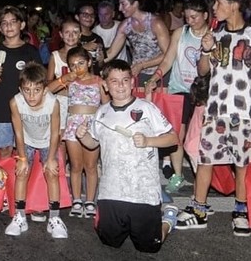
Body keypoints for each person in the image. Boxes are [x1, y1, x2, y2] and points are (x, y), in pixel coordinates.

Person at [176, 0, 251, 236]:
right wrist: (207, 49)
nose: (213, 9)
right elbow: (202, 71)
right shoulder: (216, 34)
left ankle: (241, 211)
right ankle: (199, 209)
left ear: (233, 5)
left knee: (242, 164)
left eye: (218, 4)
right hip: (216, 110)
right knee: (205, 159)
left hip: (246, 113)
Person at [75, 59, 179, 252]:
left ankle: (168, 219)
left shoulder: (147, 109)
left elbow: (172, 138)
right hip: (111, 191)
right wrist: (83, 136)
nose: (120, 85)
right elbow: (92, 144)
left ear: (132, 82)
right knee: (109, 241)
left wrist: (149, 141)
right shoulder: (101, 113)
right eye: (114, 81)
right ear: (105, 86)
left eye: (125, 80)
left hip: (143, 192)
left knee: (149, 247)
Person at [145, 0, 210, 193]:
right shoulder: (180, 33)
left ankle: (204, 174)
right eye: (187, 17)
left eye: (195, 17)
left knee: (202, 135)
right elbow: (168, 60)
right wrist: (155, 77)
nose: (190, 21)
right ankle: (178, 175)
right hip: (179, 89)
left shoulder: (213, 36)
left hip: (203, 91)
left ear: (205, 16)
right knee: (176, 135)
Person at [4, 62, 68, 239]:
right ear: (20, 89)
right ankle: (20, 216)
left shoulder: (53, 103)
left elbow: (55, 132)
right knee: (22, 172)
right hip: (27, 140)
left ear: (44, 89)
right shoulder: (15, 102)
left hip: (48, 140)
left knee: (52, 172)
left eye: (36, 90)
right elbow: (18, 131)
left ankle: (54, 219)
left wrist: (51, 159)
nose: (31, 95)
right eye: (27, 90)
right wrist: (22, 157)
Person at [48, 46, 106, 219]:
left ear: (89, 62)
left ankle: (89, 200)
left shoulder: (98, 81)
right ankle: (76, 199)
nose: (77, 68)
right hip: (73, 124)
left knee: (91, 166)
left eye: (81, 63)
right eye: (73, 65)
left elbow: (106, 104)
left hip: (91, 125)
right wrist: (64, 78)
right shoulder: (70, 81)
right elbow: (47, 91)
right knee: (75, 166)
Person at [0, 6, 40, 159]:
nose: (9, 26)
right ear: (0, 28)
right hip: (2, 109)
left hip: (27, 109)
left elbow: (41, 80)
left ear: (22, 25)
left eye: (13, 22)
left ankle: (22, 182)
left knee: (25, 152)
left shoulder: (31, 51)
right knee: (5, 151)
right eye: (4, 23)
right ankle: (4, 182)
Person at [105, 0, 171, 85]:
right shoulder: (125, 25)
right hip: (138, 72)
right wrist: (94, 61)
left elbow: (168, 54)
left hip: (160, 72)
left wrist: (142, 65)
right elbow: (111, 52)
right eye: (119, 4)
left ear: (135, 4)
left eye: (123, 4)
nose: (119, 8)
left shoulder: (155, 23)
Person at [75, 4, 105, 74]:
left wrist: (101, 60)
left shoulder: (98, 38)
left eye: (92, 15)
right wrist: (83, 48)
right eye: (85, 14)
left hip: (95, 79)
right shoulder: (73, 37)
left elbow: (100, 66)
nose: (89, 17)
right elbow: (67, 57)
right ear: (77, 17)